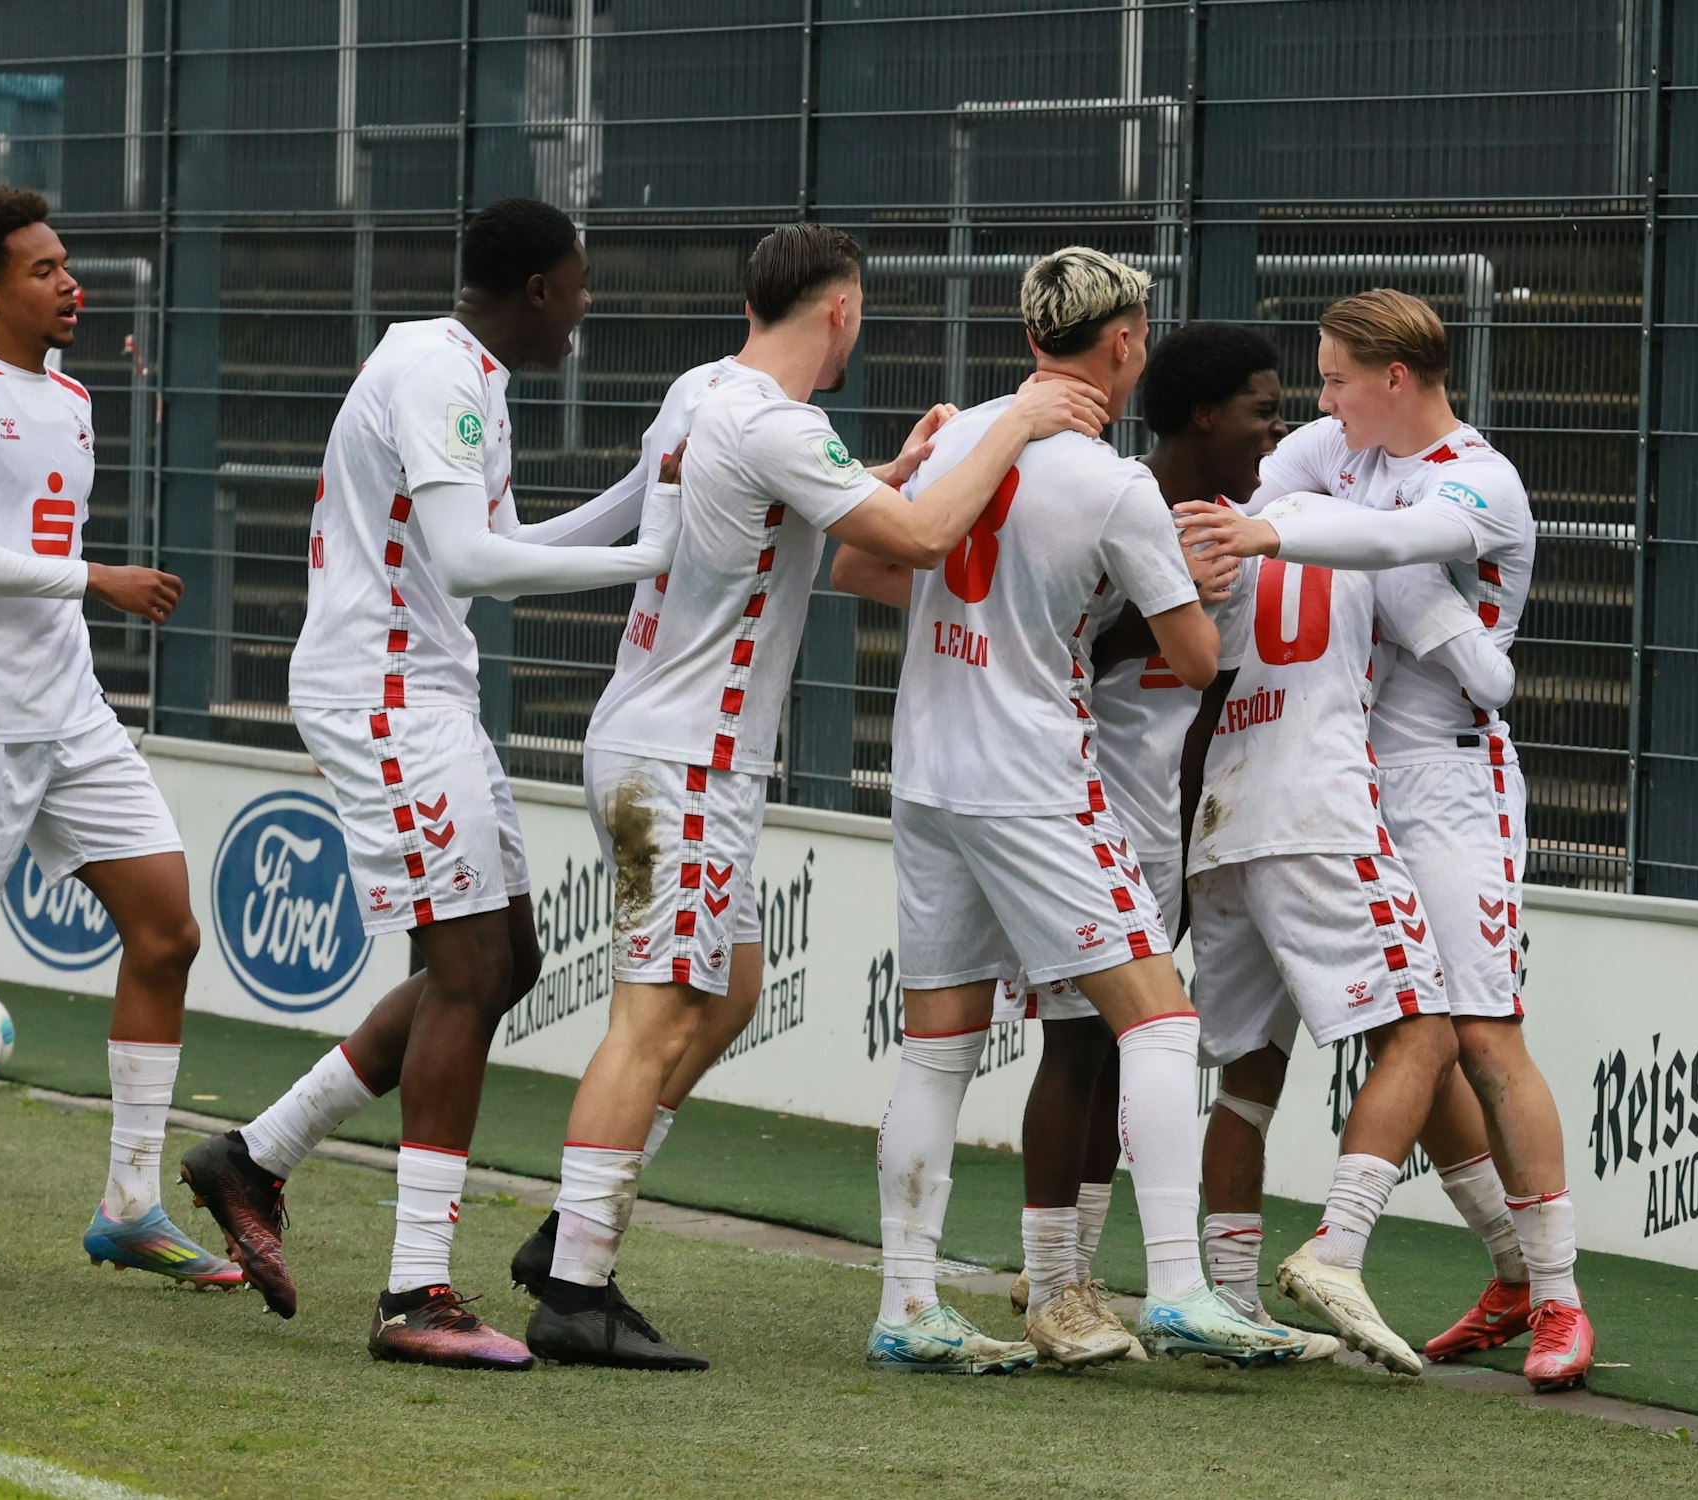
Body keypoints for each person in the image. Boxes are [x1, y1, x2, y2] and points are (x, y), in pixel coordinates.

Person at [506, 223, 1107, 1372]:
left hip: (660, 743)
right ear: (838, 310)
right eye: (863, 311)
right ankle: (575, 1285)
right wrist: (1019, 423)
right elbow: (927, 537)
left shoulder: (702, 393)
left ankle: (573, 1226)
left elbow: (770, 508)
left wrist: (877, 472)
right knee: (652, 1014)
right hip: (682, 761)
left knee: (725, 992)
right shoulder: (782, 423)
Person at [181, 198, 680, 1370]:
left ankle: (252, 1157)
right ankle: (415, 1295)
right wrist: (651, 555)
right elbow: (471, 564)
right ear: (542, 289)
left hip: (423, 691)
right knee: (463, 969)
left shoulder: (456, 371)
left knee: (507, 955)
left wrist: (649, 489)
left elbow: (499, 544)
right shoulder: (439, 375)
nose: (589, 302)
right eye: (581, 280)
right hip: (388, 695)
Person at [833, 248, 1299, 1373]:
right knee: (1160, 1019)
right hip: (1034, 774)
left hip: (928, 769)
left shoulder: (959, 431)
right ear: (1124, 340)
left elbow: (859, 565)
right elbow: (1192, 660)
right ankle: (1181, 1287)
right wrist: (1190, 590)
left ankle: (907, 1303)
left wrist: (1024, 616)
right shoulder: (1111, 482)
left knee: (937, 1050)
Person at [1175, 286, 1592, 1391]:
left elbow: (1404, 543)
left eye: (1333, 379)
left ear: (1393, 381)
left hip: (1448, 778)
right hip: (1349, 776)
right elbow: (1276, 493)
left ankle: (1558, 1303)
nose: (1316, 402)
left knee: (1482, 1032)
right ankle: (1507, 1271)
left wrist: (1276, 532)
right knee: (1406, 1031)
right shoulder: (1334, 449)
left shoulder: (1476, 477)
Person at [985, 322, 1329, 1363]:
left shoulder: (1224, 520)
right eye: (1261, 408)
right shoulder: (1118, 500)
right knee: (1080, 1046)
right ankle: (1056, 1283)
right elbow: (1061, 648)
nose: (1278, 427)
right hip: (1075, 807)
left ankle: (1066, 1277)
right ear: (1197, 415)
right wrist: (1161, 601)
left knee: (1108, 1050)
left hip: (1153, 820)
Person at [0, 187, 239, 1291]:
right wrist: (95, 578)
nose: (70, 282)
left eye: (67, 265)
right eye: (43, 270)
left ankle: (130, 1205)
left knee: (167, 933)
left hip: (68, 712)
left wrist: (83, 593)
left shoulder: (75, 399)